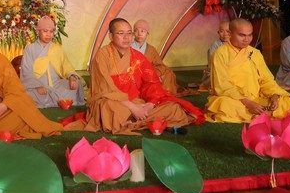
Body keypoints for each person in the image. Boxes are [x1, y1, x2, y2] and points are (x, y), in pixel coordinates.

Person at [65, 18, 204, 135]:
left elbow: (151, 82)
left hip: (137, 102)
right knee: (109, 109)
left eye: (129, 33)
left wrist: (150, 104)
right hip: (113, 102)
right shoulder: (102, 55)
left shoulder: (137, 56)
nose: (127, 37)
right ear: (111, 36)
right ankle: (142, 120)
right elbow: (105, 89)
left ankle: (134, 120)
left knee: (173, 108)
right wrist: (133, 108)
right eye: (121, 33)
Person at [206, 18, 290, 123]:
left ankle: (260, 113)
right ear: (230, 34)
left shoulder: (255, 53)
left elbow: (266, 79)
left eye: (250, 35)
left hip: (258, 98)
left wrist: (274, 96)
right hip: (235, 99)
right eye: (242, 35)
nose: (247, 39)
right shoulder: (220, 54)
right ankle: (266, 113)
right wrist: (248, 103)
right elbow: (222, 85)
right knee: (223, 105)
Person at [19, 16, 85, 108]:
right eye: (45, 31)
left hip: (56, 85)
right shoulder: (30, 49)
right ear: (38, 31)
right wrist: (37, 86)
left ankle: (50, 101)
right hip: (38, 85)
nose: (48, 35)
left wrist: (72, 77)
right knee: (27, 93)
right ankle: (58, 101)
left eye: (51, 31)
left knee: (77, 84)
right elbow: (26, 72)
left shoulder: (57, 48)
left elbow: (67, 66)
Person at [130, 19, 191, 96]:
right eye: (136, 31)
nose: (139, 34)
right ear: (133, 33)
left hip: (148, 74)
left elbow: (159, 65)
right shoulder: (128, 47)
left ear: (147, 33)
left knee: (168, 72)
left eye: (142, 31)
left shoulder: (151, 49)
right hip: (133, 74)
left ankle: (165, 94)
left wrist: (155, 74)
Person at [199, 20, 230, 91]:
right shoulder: (215, 46)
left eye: (228, 31)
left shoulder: (235, 43)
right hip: (217, 71)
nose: (225, 34)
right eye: (221, 31)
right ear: (218, 33)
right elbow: (212, 64)